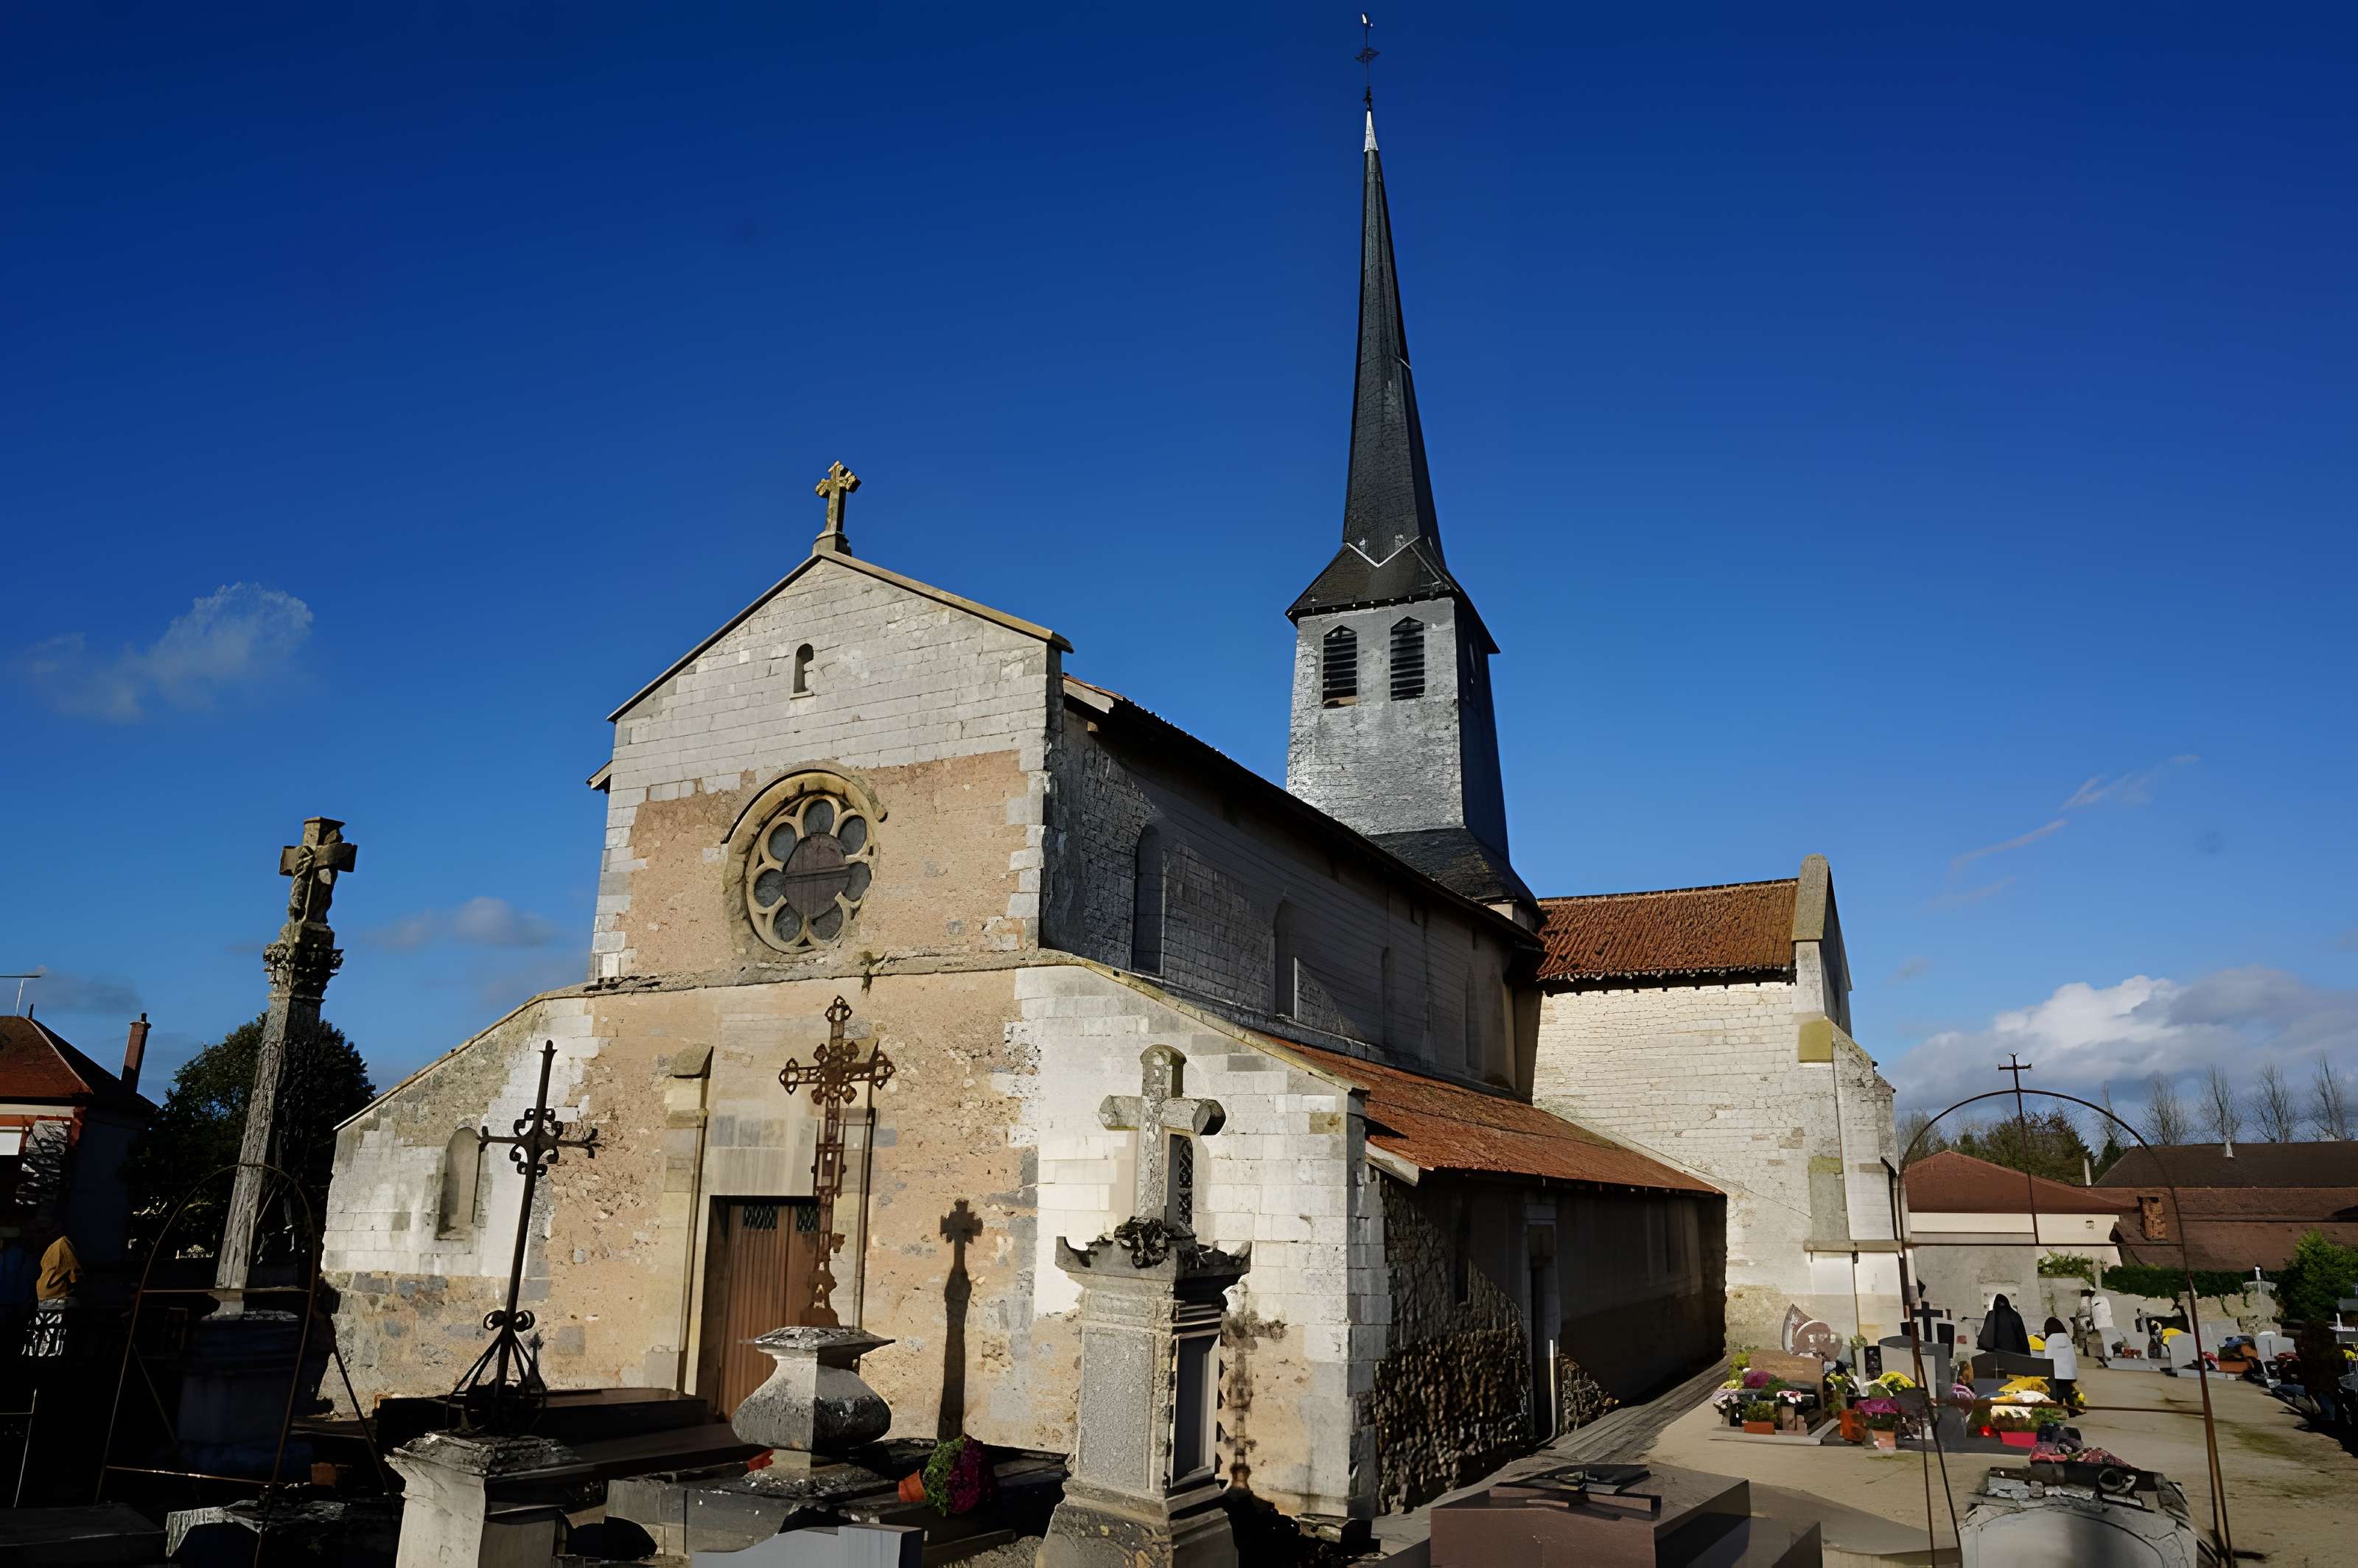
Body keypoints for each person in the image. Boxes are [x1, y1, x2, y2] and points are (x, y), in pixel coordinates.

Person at [1979, 1293, 2031, 1357]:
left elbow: (1985, 1334)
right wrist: (2027, 1353)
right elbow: (2022, 1336)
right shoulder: (2014, 1315)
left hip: (1995, 1354)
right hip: (2014, 1354)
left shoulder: (1991, 1315)